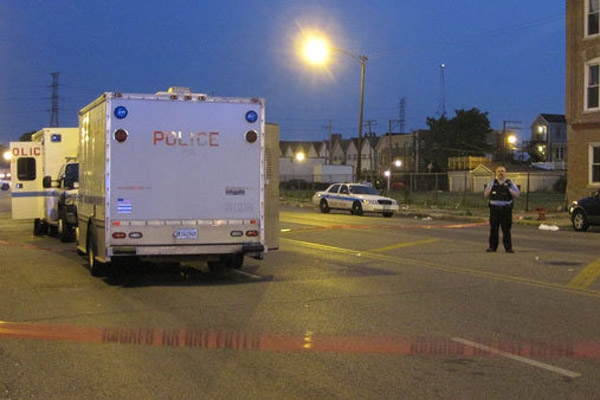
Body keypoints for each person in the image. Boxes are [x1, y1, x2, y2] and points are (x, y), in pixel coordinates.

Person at [484, 166, 520, 253]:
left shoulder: (510, 183)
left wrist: (509, 190)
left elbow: (517, 195)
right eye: (499, 171)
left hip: (506, 209)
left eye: (502, 171)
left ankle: (508, 248)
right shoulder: (492, 182)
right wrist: (491, 189)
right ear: (496, 173)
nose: (500, 173)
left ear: (505, 173)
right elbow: (486, 194)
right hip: (494, 209)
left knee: (506, 229)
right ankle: (492, 247)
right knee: (494, 229)